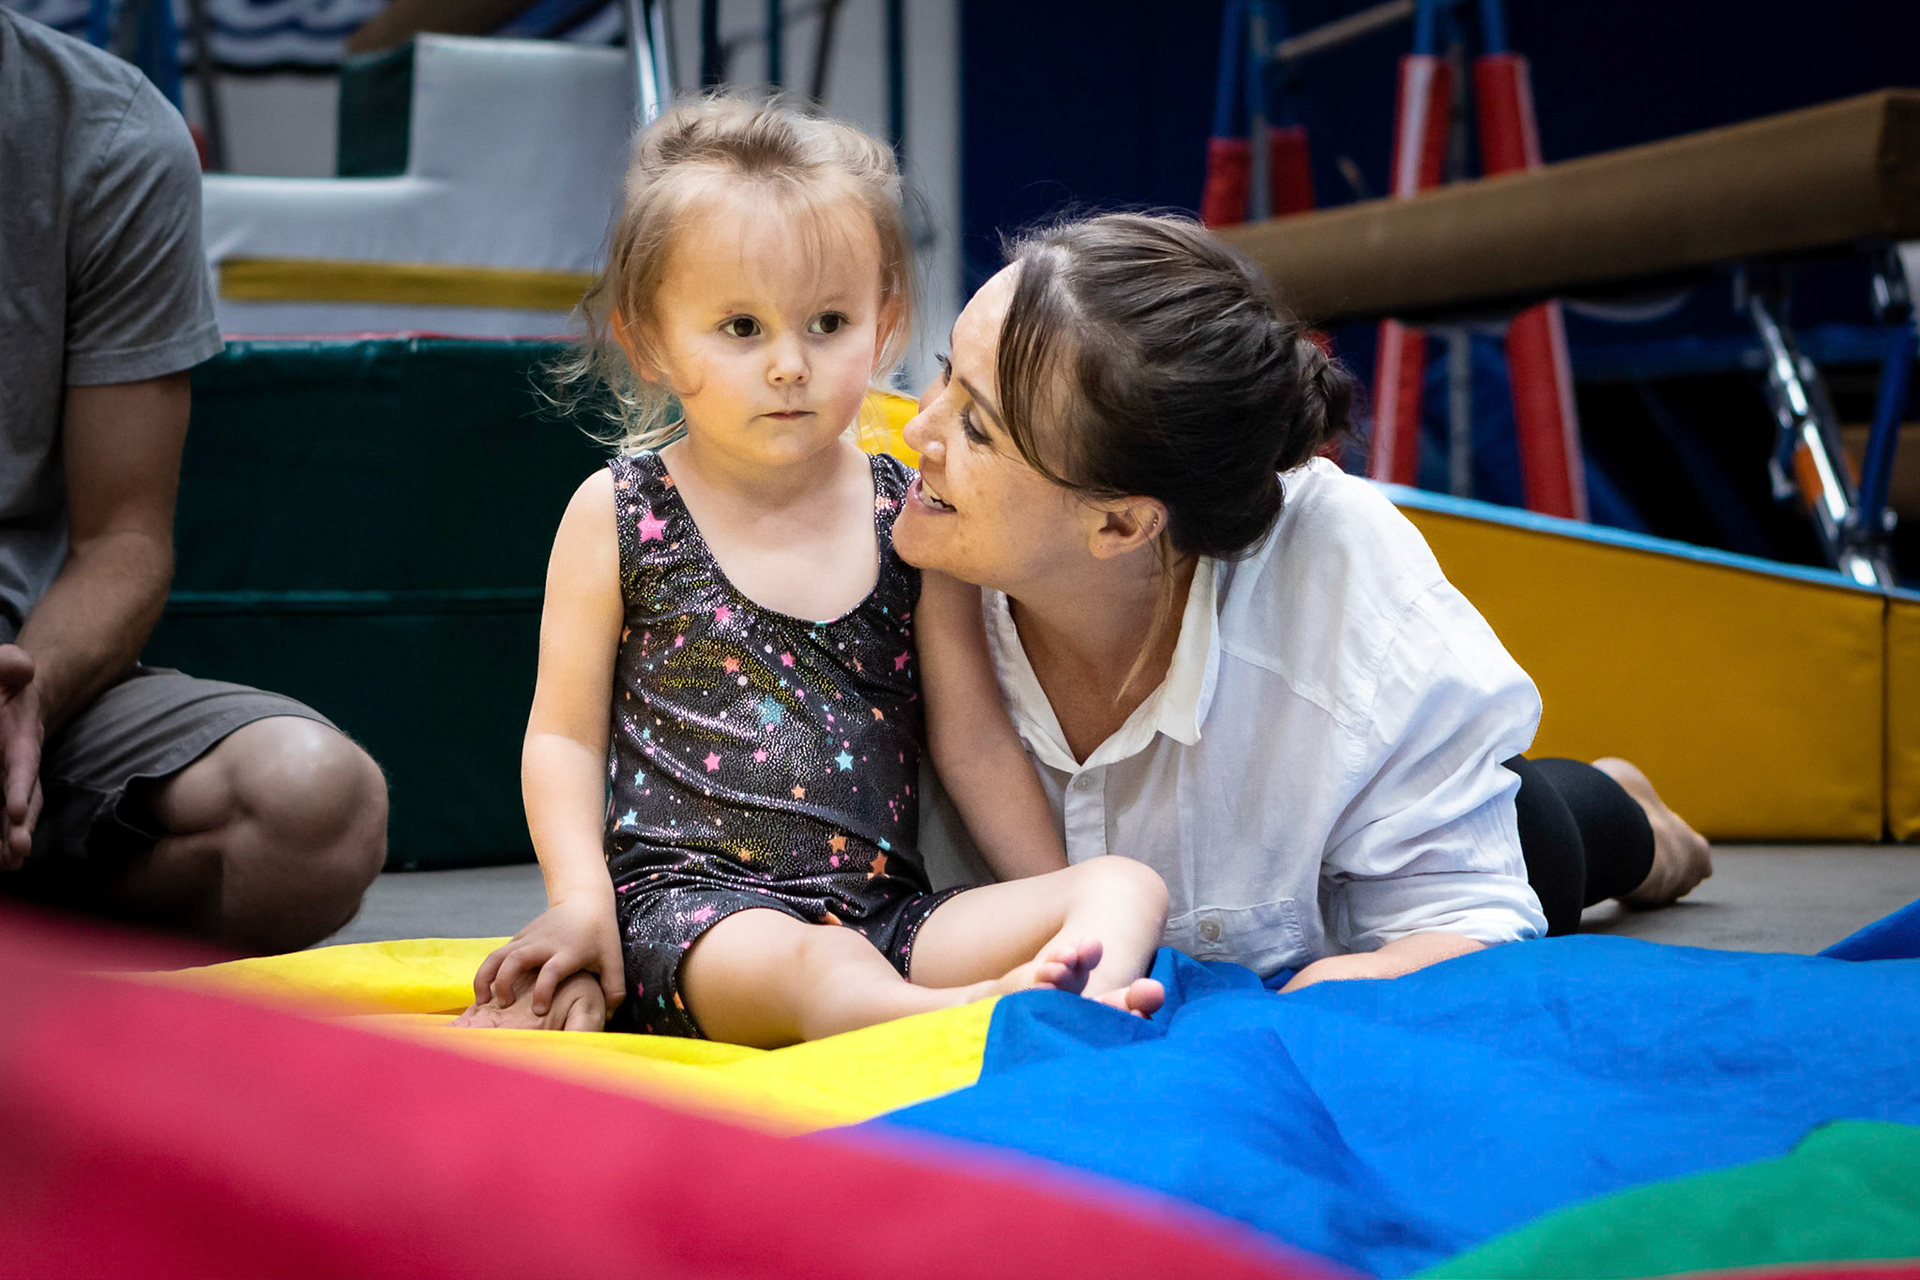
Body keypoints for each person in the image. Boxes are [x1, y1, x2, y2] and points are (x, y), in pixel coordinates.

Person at [455, 97, 1167, 1046]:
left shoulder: (907, 516)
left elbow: (973, 742)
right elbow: (565, 739)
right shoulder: (620, 513)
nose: (791, 364)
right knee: (813, 962)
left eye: (827, 322)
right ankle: (958, 1021)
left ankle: (1082, 994)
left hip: (884, 912)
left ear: (885, 326)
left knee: (1125, 884)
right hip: (696, 916)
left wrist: (1046, 897)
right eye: (742, 328)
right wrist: (582, 904)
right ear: (651, 342)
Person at [893, 212, 1713, 990]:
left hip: (1390, 873)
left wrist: (1329, 989)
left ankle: (1635, 814)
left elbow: (1471, 920)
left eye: (977, 429)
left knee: (1561, 835)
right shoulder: (882, 541)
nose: (914, 431)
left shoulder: (1347, 595)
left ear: (1119, 524)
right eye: (943, 372)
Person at [0, 9, 389, 951]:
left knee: (316, 807)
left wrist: (25, 704)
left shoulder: (109, 134)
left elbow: (124, 541)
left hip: (24, 675)